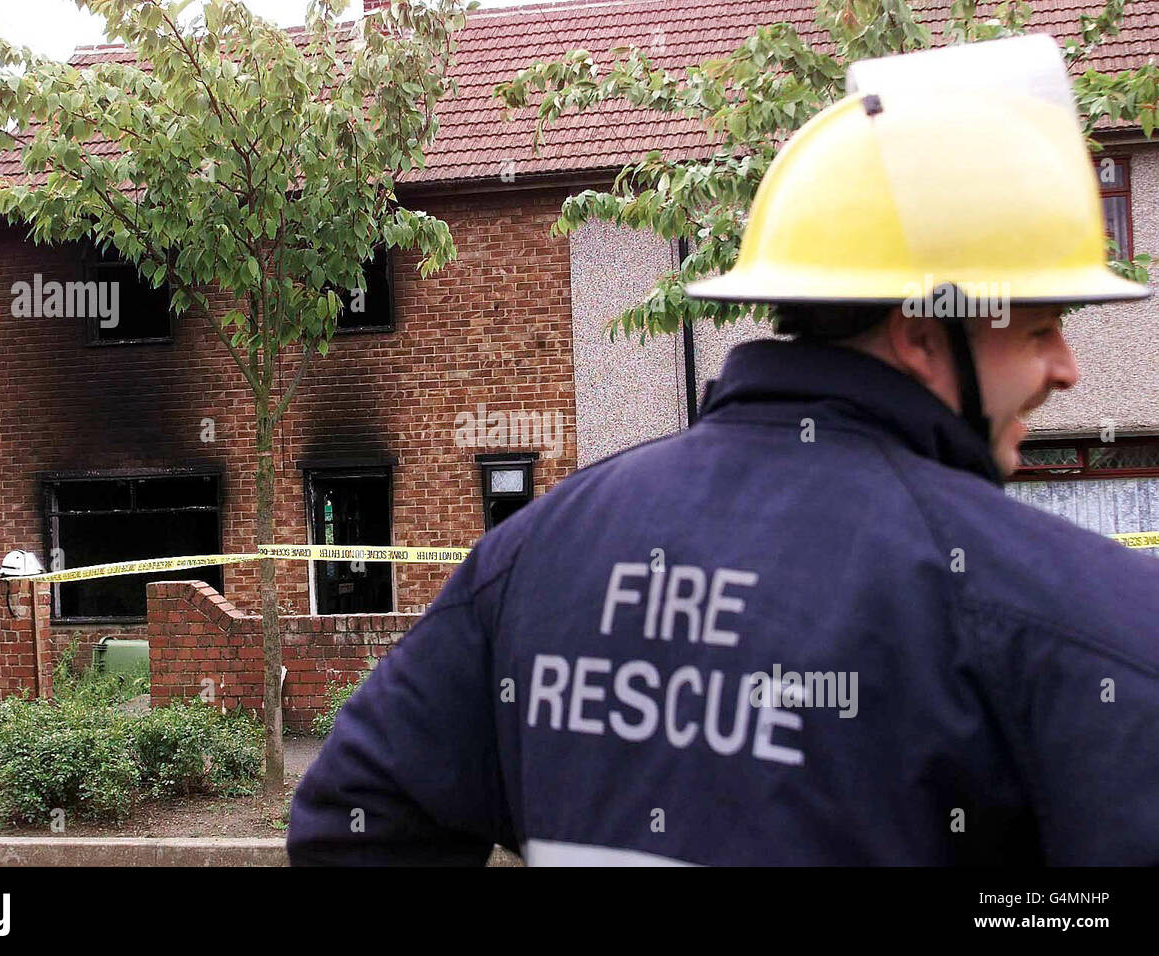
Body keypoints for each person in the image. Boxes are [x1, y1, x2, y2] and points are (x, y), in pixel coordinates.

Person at [286, 36, 1159, 865]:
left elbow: (352, 824)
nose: (1067, 368)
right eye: (1040, 325)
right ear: (924, 332)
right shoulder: (1083, 618)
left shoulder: (536, 555)